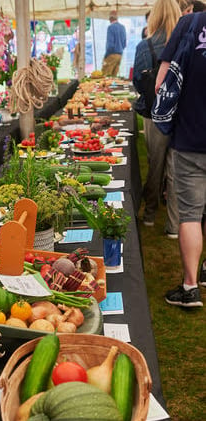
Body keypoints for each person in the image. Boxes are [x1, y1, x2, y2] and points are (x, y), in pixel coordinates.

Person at [154, 11, 206, 307]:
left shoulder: (190, 23)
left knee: (190, 214)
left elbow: (163, 81)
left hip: (191, 137)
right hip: (192, 138)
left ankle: (190, 287)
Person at [132, 0, 181, 237]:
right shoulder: (186, 43)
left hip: (154, 113)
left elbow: (138, 84)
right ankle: (173, 224)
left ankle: (150, 215)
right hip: (182, 114)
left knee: (155, 165)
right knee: (175, 169)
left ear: (154, 16)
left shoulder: (145, 45)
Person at [101, 10, 127, 76]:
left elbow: (110, 44)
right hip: (120, 55)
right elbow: (124, 44)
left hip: (111, 54)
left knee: (105, 75)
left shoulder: (110, 27)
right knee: (114, 76)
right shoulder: (122, 27)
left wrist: (106, 55)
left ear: (110, 18)